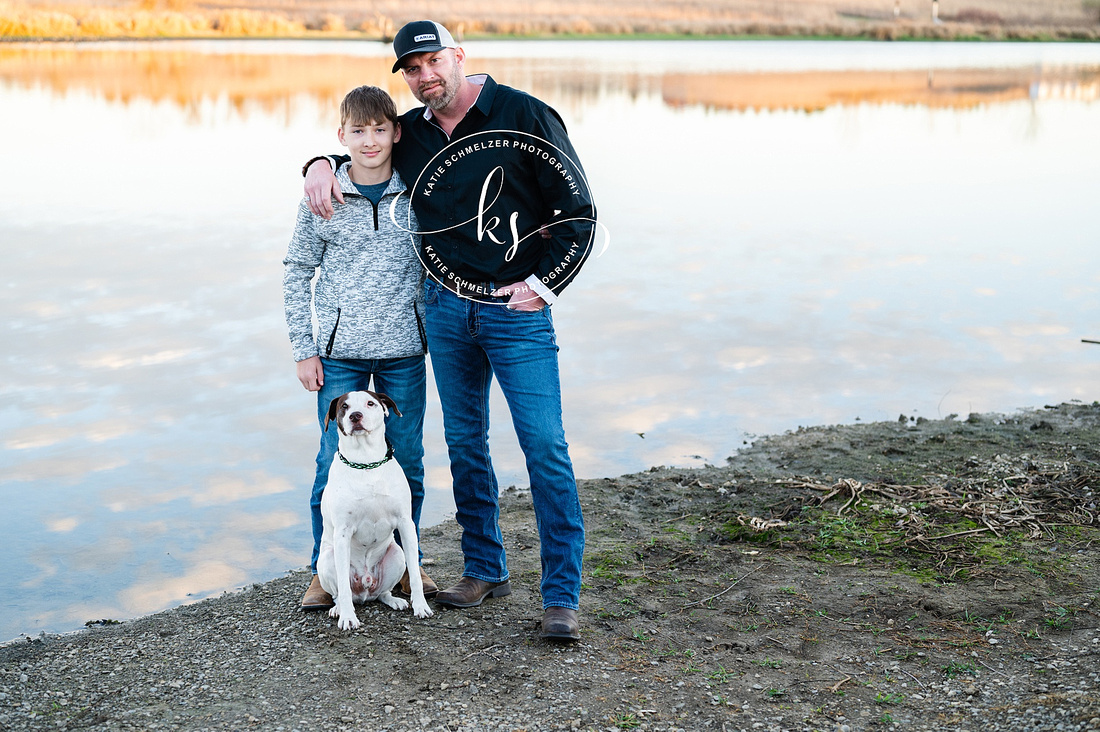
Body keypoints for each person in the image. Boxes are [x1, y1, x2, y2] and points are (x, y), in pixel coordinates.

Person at [303, 19, 598, 640]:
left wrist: (541, 285)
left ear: (459, 56)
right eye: (411, 70)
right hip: (443, 309)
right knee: (465, 444)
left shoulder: (525, 114)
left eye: (433, 62)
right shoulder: (411, 131)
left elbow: (578, 212)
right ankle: (485, 568)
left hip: (516, 315)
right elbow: (365, 147)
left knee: (544, 446)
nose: (424, 76)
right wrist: (319, 164)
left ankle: (561, 597)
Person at [284, 85, 436, 611]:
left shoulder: (418, 192)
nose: (369, 141)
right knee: (333, 460)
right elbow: (297, 271)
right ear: (340, 135)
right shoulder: (322, 198)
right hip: (340, 351)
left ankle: (407, 567)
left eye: (379, 129)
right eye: (357, 131)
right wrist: (305, 349)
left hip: (403, 349)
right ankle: (322, 572)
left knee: (408, 458)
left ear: (397, 132)